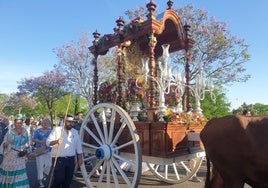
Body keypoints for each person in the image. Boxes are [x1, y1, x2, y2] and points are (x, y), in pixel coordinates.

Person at [46, 115, 83, 188]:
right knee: (59, 179)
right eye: (69, 122)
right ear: (64, 122)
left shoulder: (75, 132)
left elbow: (78, 145)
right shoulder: (57, 130)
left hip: (71, 159)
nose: (71, 123)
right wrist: (56, 141)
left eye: (72, 122)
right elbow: (48, 142)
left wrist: (80, 157)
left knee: (68, 181)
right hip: (59, 159)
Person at [0, 115, 30, 187]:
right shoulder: (10, 132)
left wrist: (27, 152)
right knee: (10, 172)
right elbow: (4, 143)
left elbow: (28, 143)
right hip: (10, 155)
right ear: (14, 123)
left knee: (19, 173)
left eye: (20, 123)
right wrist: (6, 143)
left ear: (22, 123)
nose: (18, 124)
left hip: (21, 156)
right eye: (17, 123)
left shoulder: (25, 132)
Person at [32, 118, 52, 188]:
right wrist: (41, 142)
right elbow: (33, 139)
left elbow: (52, 140)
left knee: (49, 165)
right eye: (44, 124)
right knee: (40, 166)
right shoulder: (38, 131)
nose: (45, 125)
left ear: (49, 124)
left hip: (48, 150)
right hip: (39, 150)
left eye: (47, 124)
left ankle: (43, 174)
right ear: (42, 124)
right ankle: (40, 180)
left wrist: (47, 143)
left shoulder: (51, 131)